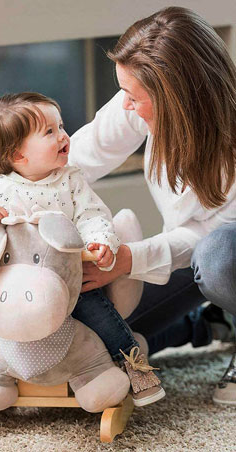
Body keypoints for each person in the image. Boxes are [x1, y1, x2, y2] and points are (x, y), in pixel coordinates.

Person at [0, 92, 164, 418]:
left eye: (60, 126)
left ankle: (131, 361)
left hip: (64, 278)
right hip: (11, 279)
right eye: (50, 132)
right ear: (18, 155)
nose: (63, 135)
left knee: (98, 308)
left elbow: (93, 215)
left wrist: (100, 241)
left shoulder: (70, 180)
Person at [69, 6, 236, 405]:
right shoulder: (140, 102)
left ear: (178, 98)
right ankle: (212, 323)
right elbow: (73, 162)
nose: (125, 105)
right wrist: (13, 199)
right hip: (187, 254)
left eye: (133, 96)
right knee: (108, 339)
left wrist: (131, 259)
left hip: (224, 252)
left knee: (219, 258)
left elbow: (210, 235)